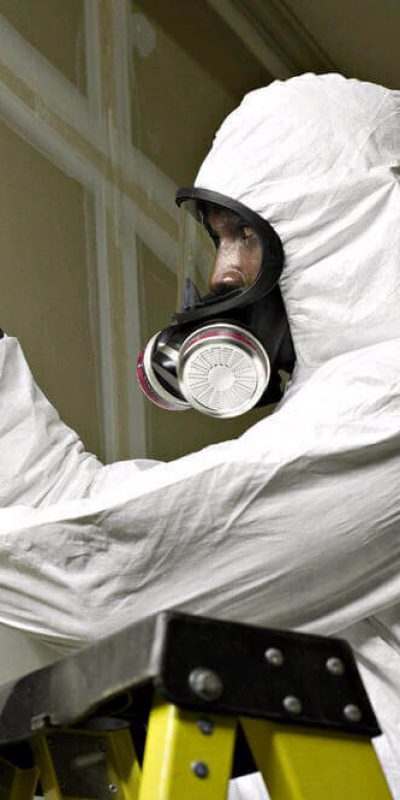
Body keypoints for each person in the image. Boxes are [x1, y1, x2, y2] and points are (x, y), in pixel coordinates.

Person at [1, 72, 400, 798]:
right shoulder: (337, 413)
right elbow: (103, 522)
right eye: (218, 239)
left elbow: (113, 577)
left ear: (344, 224)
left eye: (246, 234)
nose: (222, 274)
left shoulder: (388, 408)